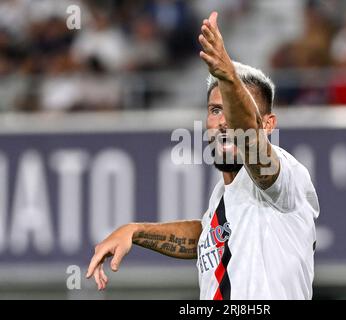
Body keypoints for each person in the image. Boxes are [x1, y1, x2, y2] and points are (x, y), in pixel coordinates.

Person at [86, 11, 319, 300]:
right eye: (215, 110)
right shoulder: (223, 199)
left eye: (233, 108)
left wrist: (228, 76)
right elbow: (207, 235)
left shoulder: (285, 176)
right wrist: (135, 231)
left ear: (268, 124)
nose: (224, 120)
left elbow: (250, 140)